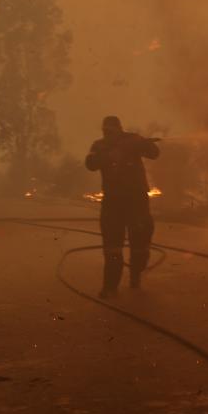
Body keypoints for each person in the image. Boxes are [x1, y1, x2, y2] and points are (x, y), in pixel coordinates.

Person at [85, 116, 160, 297]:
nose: (108, 133)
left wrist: (142, 143)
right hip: (113, 201)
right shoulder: (99, 145)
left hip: (137, 200)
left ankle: (136, 275)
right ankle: (110, 288)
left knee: (140, 243)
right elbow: (90, 164)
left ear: (119, 129)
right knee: (112, 247)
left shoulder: (132, 139)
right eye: (105, 131)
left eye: (111, 130)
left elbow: (154, 153)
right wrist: (110, 154)